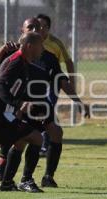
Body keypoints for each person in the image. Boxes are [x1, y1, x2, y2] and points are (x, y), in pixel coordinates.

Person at [0, 18, 90, 190]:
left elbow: (62, 81)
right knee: (22, 141)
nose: (36, 29)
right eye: (31, 27)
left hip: (39, 103)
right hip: (20, 104)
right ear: (23, 31)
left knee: (56, 132)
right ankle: (10, 174)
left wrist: (78, 101)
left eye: (39, 27)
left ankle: (47, 177)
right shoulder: (15, 53)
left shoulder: (49, 58)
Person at [0, 32, 44, 192]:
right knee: (36, 138)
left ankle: (7, 182)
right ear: (30, 46)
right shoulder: (17, 61)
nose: (42, 49)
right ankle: (25, 181)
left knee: (22, 140)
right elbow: (0, 85)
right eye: (40, 45)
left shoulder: (21, 60)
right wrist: (18, 104)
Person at [35, 14, 76, 156]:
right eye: (37, 26)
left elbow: (69, 62)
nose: (40, 29)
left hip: (52, 82)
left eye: (44, 26)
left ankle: (45, 145)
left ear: (48, 28)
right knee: (40, 111)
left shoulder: (55, 43)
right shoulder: (28, 41)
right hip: (34, 84)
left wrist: (72, 82)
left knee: (47, 108)